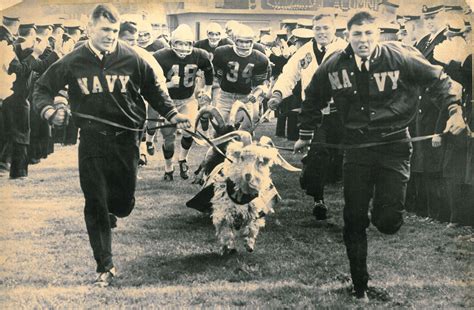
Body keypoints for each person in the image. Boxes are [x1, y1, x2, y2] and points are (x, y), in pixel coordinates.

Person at [293, 11, 465, 300]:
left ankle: (384, 209)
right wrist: (306, 135)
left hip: (393, 147)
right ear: (347, 36)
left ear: (378, 34)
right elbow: (313, 97)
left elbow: (439, 80)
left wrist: (454, 111)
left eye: (368, 34)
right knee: (353, 217)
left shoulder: (400, 56)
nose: (363, 40)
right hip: (356, 149)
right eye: (357, 34)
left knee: (388, 221)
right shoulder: (333, 65)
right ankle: (359, 284)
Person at [33, 4, 191, 287]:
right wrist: (50, 111)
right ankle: (104, 265)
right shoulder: (73, 60)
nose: (110, 36)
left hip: (126, 140)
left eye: (114, 31)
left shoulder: (133, 58)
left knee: (123, 202)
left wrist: (173, 114)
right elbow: (42, 89)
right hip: (92, 140)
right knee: (95, 202)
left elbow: (154, 90)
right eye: (105, 30)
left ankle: (113, 210)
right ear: (90, 29)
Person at [269, 13, 347, 220]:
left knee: (340, 156)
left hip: (342, 113)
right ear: (313, 30)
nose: (322, 32)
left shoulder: (345, 50)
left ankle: (311, 169)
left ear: (334, 30)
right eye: (318, 28)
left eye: (326, 28)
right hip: (314, 113)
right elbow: (288, 75)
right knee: (319, 151)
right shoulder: (303, 52)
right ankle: (319, 200)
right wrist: (277, 94)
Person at [148, 24, 213, 181]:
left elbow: (208, 71)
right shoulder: (160, 56)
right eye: (179, 43)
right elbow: (151, 81)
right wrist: (169, 84)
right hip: (167, 101)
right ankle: (168, 167)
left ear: (192, 43)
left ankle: (183, 159)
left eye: (186, 44)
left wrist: (208, 90)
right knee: (168, 137)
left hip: (188, 99)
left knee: (189, 131)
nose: (183, 48)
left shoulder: (200, 55)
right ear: (172, 43)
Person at [212, 24, 270, 129]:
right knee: (219, 128)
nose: (244, 45)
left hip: (245, 97)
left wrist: (256, 94)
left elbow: (261, 84)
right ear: (235, 40)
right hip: (225, 96)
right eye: (241, 41)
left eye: (247, 42)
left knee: (245, 129)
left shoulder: (260, 58)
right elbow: (216, 75)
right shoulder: (222, 52)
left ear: (252, 42)